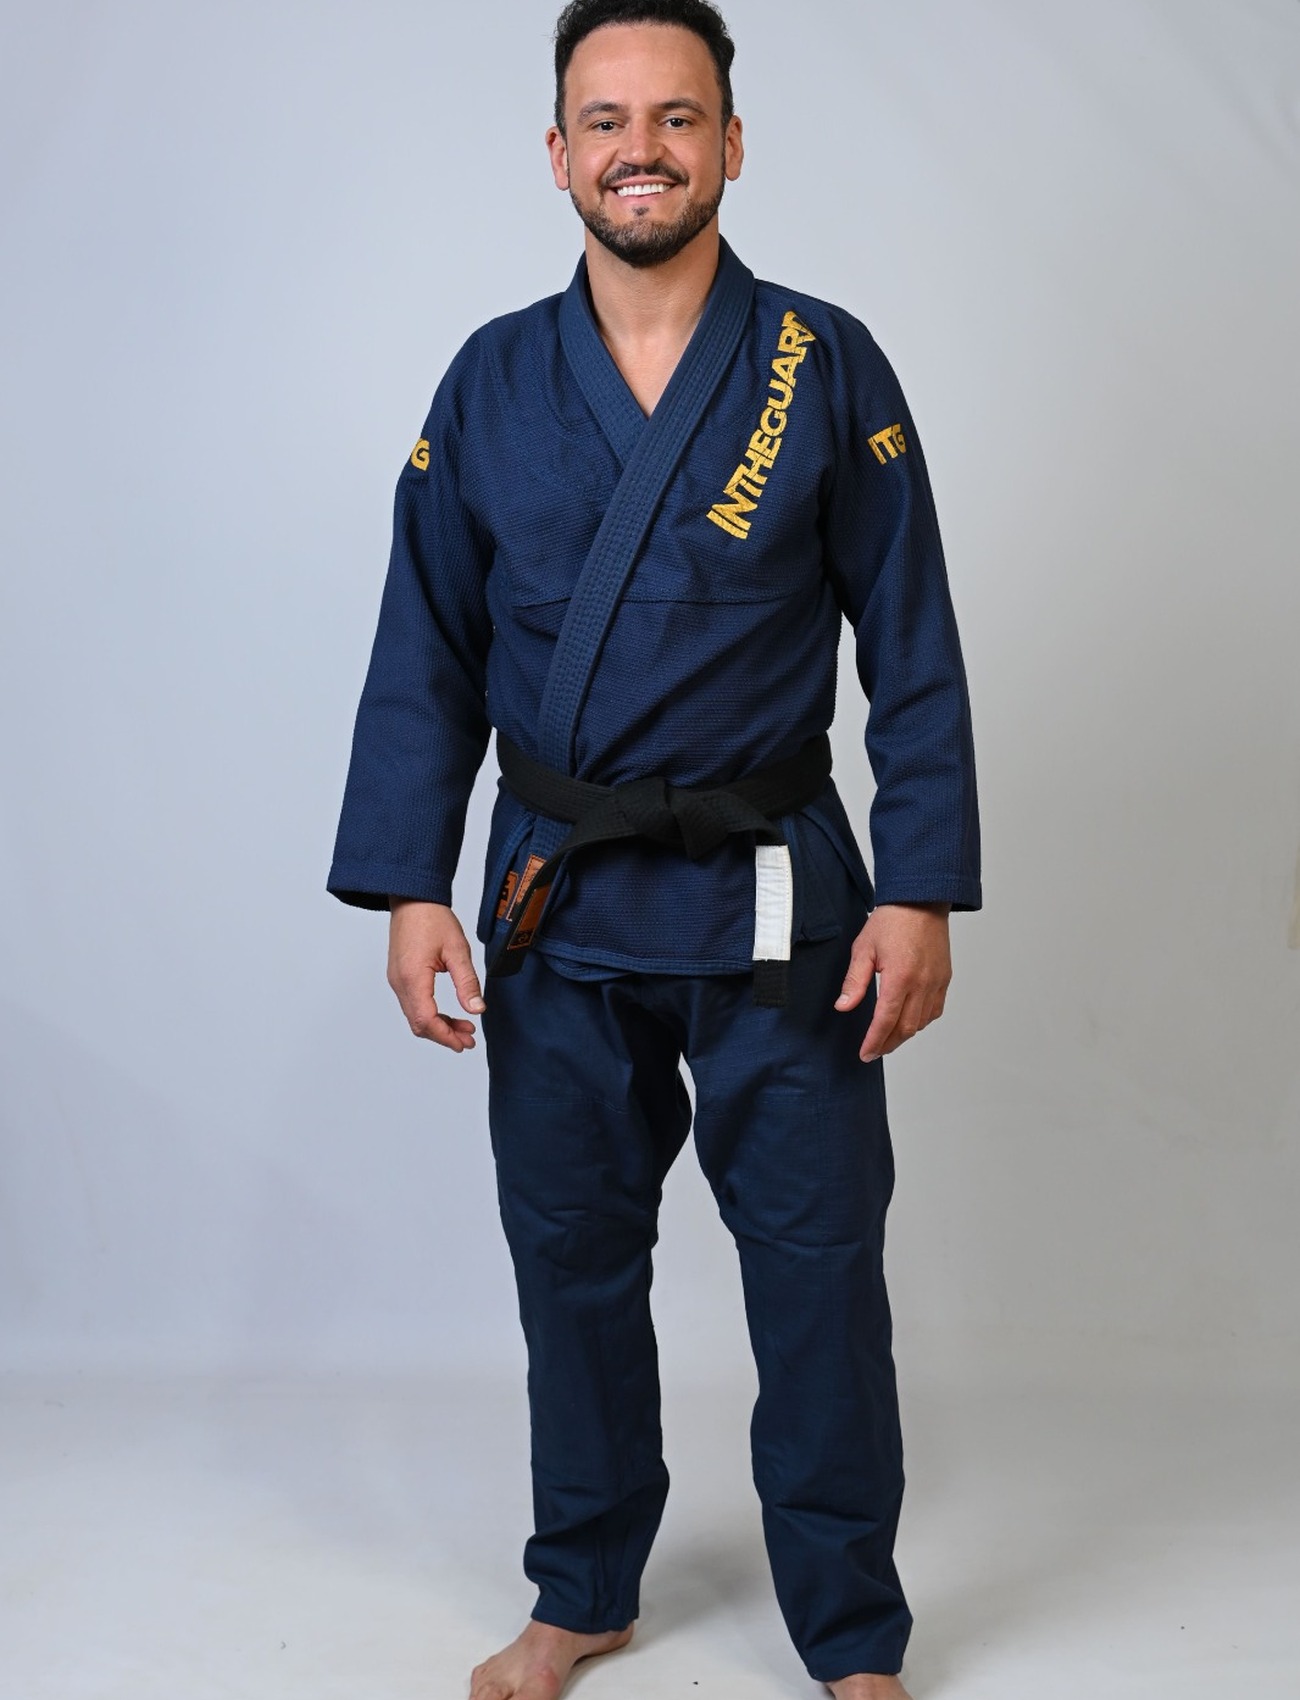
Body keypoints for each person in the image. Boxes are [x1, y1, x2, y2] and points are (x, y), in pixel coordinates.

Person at [328, 2, 980, 1694]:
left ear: (732, 144)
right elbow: (426, 649)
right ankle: (584, 1588)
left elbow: (912, 641)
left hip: (779, 900)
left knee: (819, 1273)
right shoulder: (491, 380)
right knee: (571, 1263)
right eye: (607, 120)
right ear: (558, 153)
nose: (642, 149)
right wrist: (410, 885)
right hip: (558, 898)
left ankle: (851, 1630)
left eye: (678, 117)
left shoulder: (824, 363)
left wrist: (920, 886)